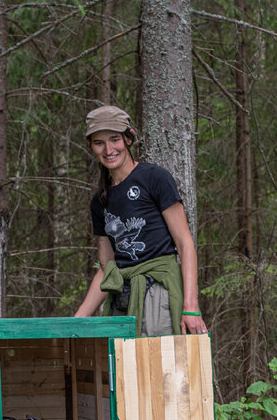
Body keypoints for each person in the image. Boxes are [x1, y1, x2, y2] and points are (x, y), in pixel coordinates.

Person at [73, 105, 208, 336]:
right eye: (99, 143)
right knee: (123, 370)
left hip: (159, 294)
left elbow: (185, 244)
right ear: (90, 146)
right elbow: (107, 268)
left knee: (161, 368)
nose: (108, 149)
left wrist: (191, 307)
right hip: (122, 300)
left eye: (114, 139)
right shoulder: (100, 201)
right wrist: (77, 321)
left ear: (129, 138)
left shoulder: (154, 178)